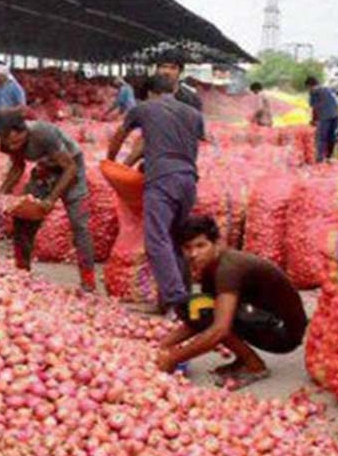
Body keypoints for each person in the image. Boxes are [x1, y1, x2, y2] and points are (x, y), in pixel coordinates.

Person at [156, 216, 308, 389]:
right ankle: (243, 359)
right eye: (187, 248)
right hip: (263, 317)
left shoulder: (228, 268)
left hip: (284, 333)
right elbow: (202, 317)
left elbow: (219, 329)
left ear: (217, 243)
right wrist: (164, 344)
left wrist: (174, 358)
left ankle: (255, 366)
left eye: (200, 246)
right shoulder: (210, 267)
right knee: (191, 306)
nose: (193, 254)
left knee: (209, 313)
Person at [106, 76, 205, 314]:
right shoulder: (194, 114)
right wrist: (129, 164)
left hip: (162, 179)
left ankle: (176, 301)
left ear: (149, 92)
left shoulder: (144, 109)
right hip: (188, 179)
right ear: (173, 89)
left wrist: (111, 161)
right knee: (175, 238)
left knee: (157, 240)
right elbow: (188, 144)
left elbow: (120, 135)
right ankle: (177, 301)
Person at [0, 109, 97, 292]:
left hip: (71, 167)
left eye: (16, 142)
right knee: (22, 217)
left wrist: (51, 199)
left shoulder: (43, 134)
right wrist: (2, 193)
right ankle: (22, 271)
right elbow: (18, 166)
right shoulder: (9, 142)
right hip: (46, 169)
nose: (13, 147)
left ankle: (88, 280)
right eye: (10, 144)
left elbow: (70, 168)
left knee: (79, 224)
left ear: (24, 131)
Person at [306, 76, 338, 162]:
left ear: (309, 85)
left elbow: (314, 107)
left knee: (321, 137)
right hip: (336, 116)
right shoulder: (328, 89)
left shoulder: (314, 91)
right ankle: (329, 156)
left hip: (326, 116)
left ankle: (319, 159)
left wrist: (314, 120)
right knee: (331, 136)